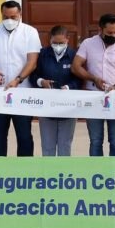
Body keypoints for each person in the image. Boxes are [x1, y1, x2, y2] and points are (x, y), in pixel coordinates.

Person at [0, 0, 40, 156]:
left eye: (13, 17)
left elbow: (32, 61)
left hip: (22, 93)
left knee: (24, 136)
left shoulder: (30, 32)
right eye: (5, 17)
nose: (9, 20)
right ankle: (0, 168)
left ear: (20, 14)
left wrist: (18, 79)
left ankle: (24, 168)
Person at [72, 13, 115, 156]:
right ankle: (97, 168)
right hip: (94, 97)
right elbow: (76, 66)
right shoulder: (88, 44)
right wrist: (93, 78)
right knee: (95, 140)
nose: (113, 35)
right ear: (100, 29)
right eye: (110, 33)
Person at [29, 25, 81, 156]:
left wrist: (68, 87)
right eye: (55, 43)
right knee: (47, 146)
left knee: (65, 146)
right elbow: (32, 75)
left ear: (67, 39)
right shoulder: (42, 55)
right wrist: (41, 82)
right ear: (50, 39)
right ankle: (48, 170)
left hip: (68, 108)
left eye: (61, 43)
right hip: (47, 108)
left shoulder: (74, 56)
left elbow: (80, 79)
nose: (58, 46)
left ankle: (63, 170)